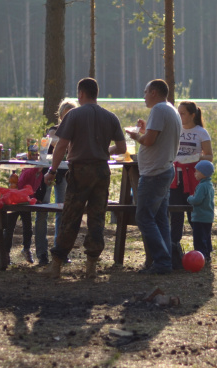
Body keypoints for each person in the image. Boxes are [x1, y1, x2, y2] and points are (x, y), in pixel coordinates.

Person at [43, 78, 127, 278]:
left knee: (71, 216)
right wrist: (103, 150)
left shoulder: (73, 115)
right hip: (101, 172)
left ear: (81, 94)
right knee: (97, 217)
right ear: (96, 94)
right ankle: (91, 266)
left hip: (80, 171)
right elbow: (122, 149)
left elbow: (61, 146)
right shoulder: (111, 117)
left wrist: (52, 171)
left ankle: (56, 264)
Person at [126, 79, 182, 275]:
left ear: (155, 93)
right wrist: (144, 130)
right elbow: (157, 137)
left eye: (146, 92)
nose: (144, 96)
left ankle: (162, 261)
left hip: (154, 174)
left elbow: (149, 141)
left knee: (143, 217)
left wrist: (136, 136)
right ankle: (165, 262)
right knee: (159, 219)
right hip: (164, 169)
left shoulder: (158, 110)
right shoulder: (170, 109)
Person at [35, 100, 78, 266]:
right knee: (42, 210)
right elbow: (53, 141)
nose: (68, 117)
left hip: (65, 174)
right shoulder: (54, 130)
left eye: (72, 114)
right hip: (48, 173)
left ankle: (59, 251)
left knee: (63, 211)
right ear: (60, 116)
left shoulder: (77, 133)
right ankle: (42, 254)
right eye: (65, 114)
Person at [171, 101, 213, 248]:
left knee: (194, 215)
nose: (179, 116)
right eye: (178, 113)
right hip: (175, 177)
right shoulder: (175, 129)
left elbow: (209, 156)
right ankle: (174, 248)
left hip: (194, 178)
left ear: (192, 115)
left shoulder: (201, 132)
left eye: (182, 113)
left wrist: (196, 158)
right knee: (175, 213)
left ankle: (202, 249)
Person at [4, 166, 43, 264]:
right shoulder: (28, 172)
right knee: (9, 228)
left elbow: (32, 189)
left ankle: (26, 249)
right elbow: (20, 186)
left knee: (28, 227)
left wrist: (33, 198)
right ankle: (5, 253)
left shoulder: (40, 175)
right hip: (15, 201)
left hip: (25, 202)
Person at [186, 160, 215, 263]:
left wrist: (190, 199)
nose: (195, 173)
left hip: (200, 217)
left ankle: (201, 256)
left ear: (203, 173)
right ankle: (207, 254)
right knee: (206, 236)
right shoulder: (209, 184)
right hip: (208, 217)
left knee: (199, 238)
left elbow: (197, 200)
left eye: (197, 171)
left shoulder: (202, 186)